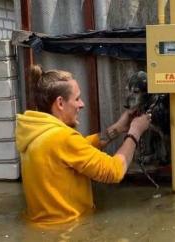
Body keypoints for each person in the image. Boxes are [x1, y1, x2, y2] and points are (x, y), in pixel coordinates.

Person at [16, 65, 151, 226]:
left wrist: (117, 129)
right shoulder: (63, 138)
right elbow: (114, 171)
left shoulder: (35, 131)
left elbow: (82, 146)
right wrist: (135, 132)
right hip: (68, 228)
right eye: (77, 98)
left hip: (41, 227)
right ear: (60, 103)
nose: (82, 104)